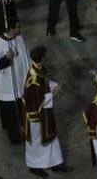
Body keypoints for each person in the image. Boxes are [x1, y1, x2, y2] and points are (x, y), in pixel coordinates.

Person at [21, 46, 71, 176]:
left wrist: (55, 87)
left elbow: (46, 81)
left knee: (51, 136)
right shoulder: (32, 79)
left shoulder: (39, 69)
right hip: (35, 116)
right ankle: (34, 165)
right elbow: (35, 101)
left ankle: (55, 163)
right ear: (42, 57)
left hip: (44, 113)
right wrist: (52, 94)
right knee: (36, 141)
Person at [0, 21, 29, 146]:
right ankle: (14, 137)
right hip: (7, 84)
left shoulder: (20, 39)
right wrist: (6, 58)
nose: (19, 29)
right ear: (10, 29)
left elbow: (26, 57)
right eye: (17, 27)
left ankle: (24, 132)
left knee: (21, 110)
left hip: (20, 80)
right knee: (11, 114)